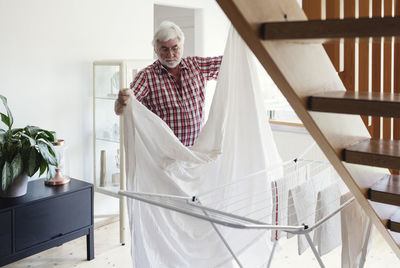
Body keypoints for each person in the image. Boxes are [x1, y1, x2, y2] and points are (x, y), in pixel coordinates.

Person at [115, 21, 222, 146]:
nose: (170, 54)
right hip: (164, 156)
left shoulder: (196, 65)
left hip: (196, 151)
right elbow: (121, 109)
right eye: (164, 49)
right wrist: (122, 101)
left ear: (182, 46)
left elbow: (228, 62)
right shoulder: (147, 76)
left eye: (175, 48)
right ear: (156, 49)